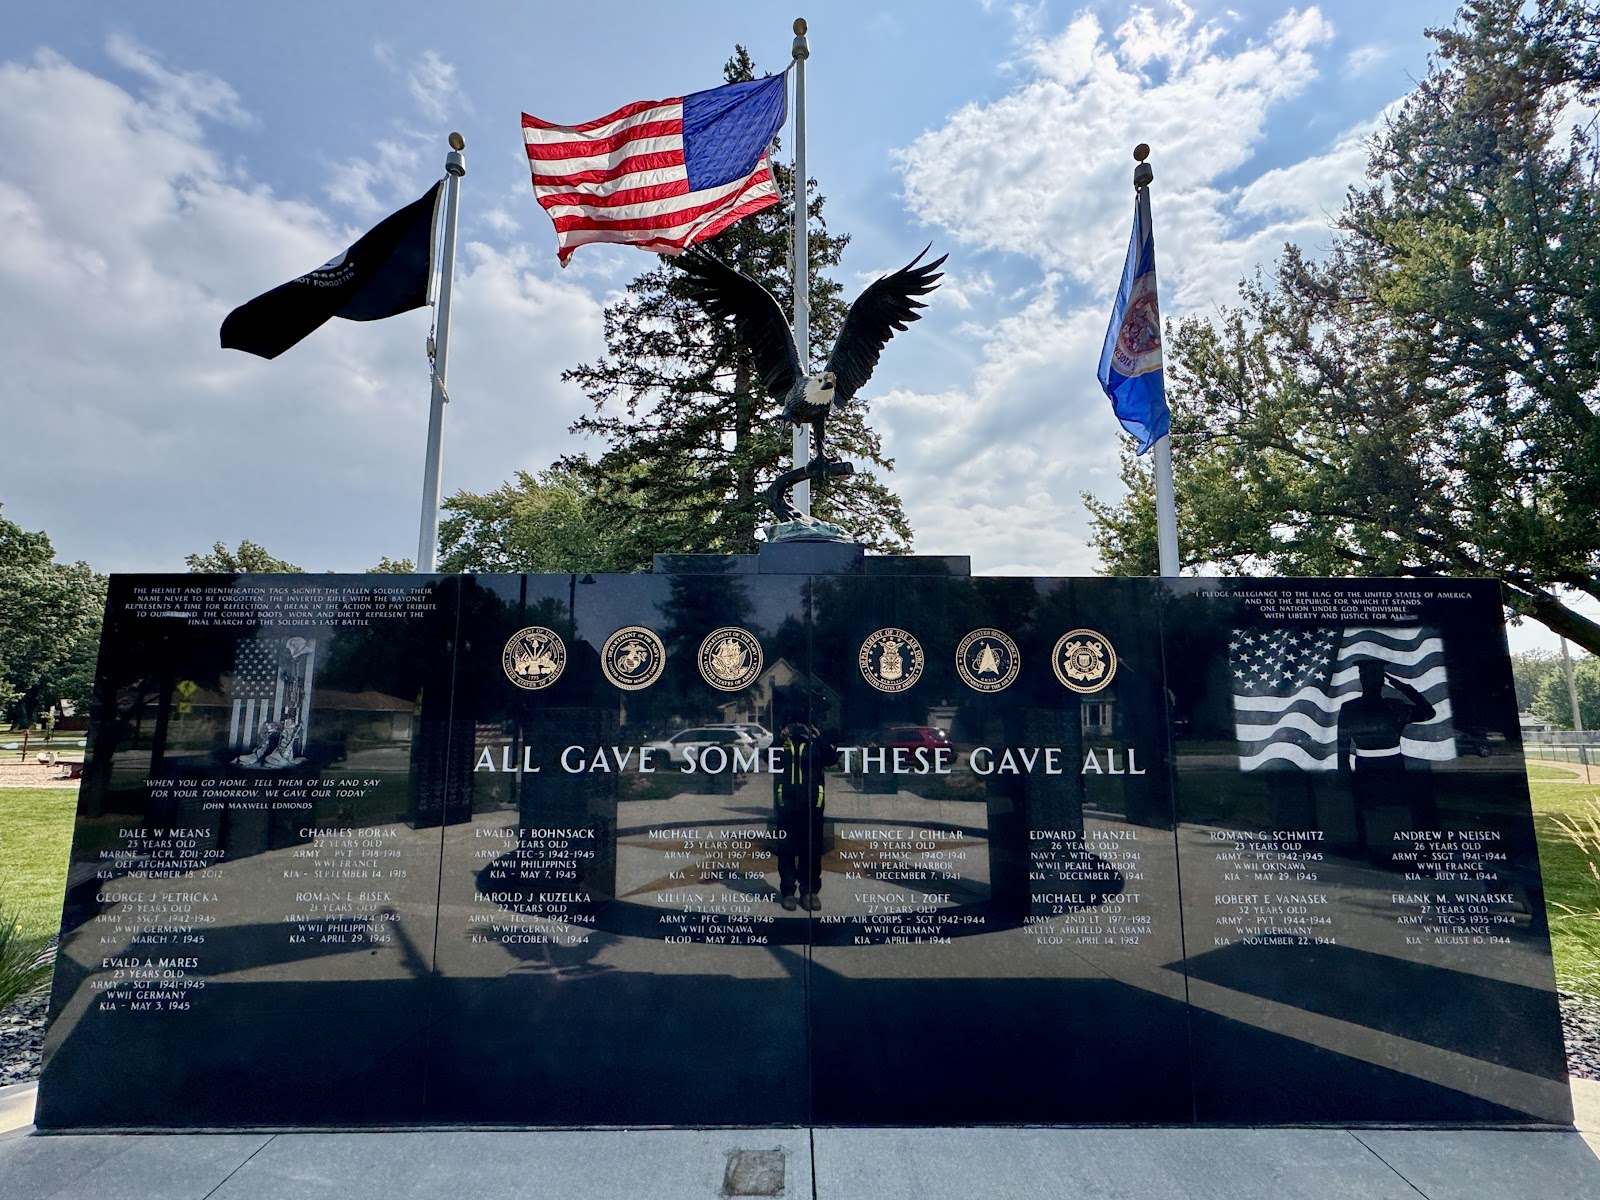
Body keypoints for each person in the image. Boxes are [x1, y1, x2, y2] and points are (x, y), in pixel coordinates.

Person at [1337, 660, 1437, 851]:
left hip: (1389, 764)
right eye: (1366, 676)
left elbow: (1428, 713)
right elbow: (1342, 745)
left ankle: (1395, 848)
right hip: (1367, 764)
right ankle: (1371, 848)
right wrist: (1346, 775)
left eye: (1373, 677)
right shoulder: (1351, 708)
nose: (1369, 681)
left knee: (1394, 809)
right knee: (1368, 808)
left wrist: (1404, 688)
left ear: (1381, 681)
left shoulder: (1394, 706)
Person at [771, 721, 835, 911]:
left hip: (812, 804)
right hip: (787, 805)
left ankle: (809, 891)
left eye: (804, 726)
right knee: (787, 849)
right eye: (796, 726)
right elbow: (769, 758)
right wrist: (779, 739)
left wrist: (818, 737)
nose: (800, 730)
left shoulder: (816, 743)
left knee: (812, 849)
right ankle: (788, 892)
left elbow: (831, 759)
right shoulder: (785, 743)